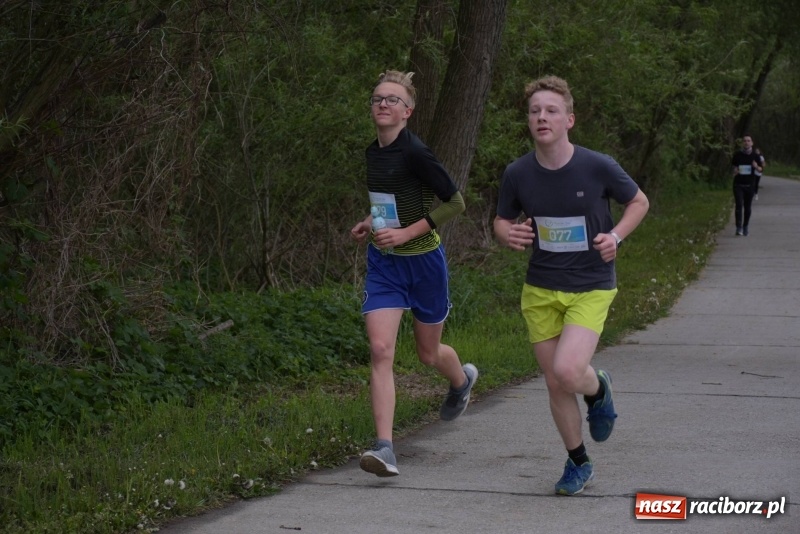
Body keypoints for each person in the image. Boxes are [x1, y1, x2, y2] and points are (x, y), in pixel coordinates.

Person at [493, 76, 649, 496]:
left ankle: (598, 388)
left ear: (569, 120)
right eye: (534, 111)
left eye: (551, 110)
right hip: (541, 288)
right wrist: (507, 234)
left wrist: (615, 237)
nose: (541, 117)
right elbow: (502, 220)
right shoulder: (518, 172)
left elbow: (639, 201)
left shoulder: (597, 165)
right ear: (528, 120)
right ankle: (578, 462)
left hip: (591, 284)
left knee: (567, 371)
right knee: (555, 381)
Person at [350, 70, 478, 478]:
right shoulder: (374, 152)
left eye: (392, 99)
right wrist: (371, 220)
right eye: (377, 98)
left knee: (427, 354)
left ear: (408, 111)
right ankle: (384, 448)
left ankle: (461, 381)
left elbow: (454, 202)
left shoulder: (417, 152)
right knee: (381, 350)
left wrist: (406, 232)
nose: (382, 104)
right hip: (385, 263)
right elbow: (393, 201)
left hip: (423, 263)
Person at [731, 135, 762, 236]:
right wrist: (734, 171)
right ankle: (738, 227)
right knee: (739, 205)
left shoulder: (755, 156)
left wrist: (756, 166)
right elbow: (733, 168)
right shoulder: (737, 155)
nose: (746, 142)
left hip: (750, 185)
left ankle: (745, 226)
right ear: (742, 143)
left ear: (752, 143)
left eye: (748, 141)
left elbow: (761, 169)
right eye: (744, 141)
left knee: (747, 207)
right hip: (738, 184)